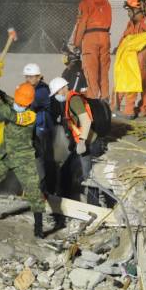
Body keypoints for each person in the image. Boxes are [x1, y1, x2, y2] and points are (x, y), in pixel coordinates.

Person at [0, 82, 48, 238]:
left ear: (28, 102)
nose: (18, 104)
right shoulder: (15, 103)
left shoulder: (30, 115)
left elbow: (10, 115)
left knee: (34, 191)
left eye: (21, 103)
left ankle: (39, 227)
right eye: (18, 101)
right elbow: (5, 98)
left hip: (23, 158)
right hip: (4, 155)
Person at [48, 77, 106, 207]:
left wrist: (82, 142)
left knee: (89, 176)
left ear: (63, 88)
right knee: (67, 169)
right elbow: (75, 125)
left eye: (57, 92)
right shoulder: (68, 101)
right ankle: (64, 199)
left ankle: (93, 206)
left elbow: (86, 120)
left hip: (90, 143)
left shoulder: (74, 100)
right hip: (81, 142)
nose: (57, 96)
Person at [70, 0, 112, 102]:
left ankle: (93, 98)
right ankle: (105, 96)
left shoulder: (84, 3)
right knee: (104, 69)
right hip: (105, 36)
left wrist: (76, 44)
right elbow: (109, 21)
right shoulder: (105, 2)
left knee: (91, 69)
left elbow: (81, 23)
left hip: (91, 37)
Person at [22, 63, 55, 197]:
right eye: (27, 77)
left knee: (42, 158)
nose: (28, 79)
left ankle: (45, 189)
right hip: (34, 127)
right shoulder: (31, 87)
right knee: (34, 157)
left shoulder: (42, 90)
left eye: (31, 77)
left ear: (38, 77)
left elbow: (30, 103)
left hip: (42, 128)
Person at [114, 0, 146, 119]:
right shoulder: (131, 23)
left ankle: (129, 112)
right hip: (126, 58)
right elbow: (124, 37)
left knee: (131, 85)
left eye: (129, 10)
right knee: (121, 83)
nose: (127, 13)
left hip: (137, 59)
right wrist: (119, 47)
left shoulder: (144, 24)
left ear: (137, 10)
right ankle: (114, 108)